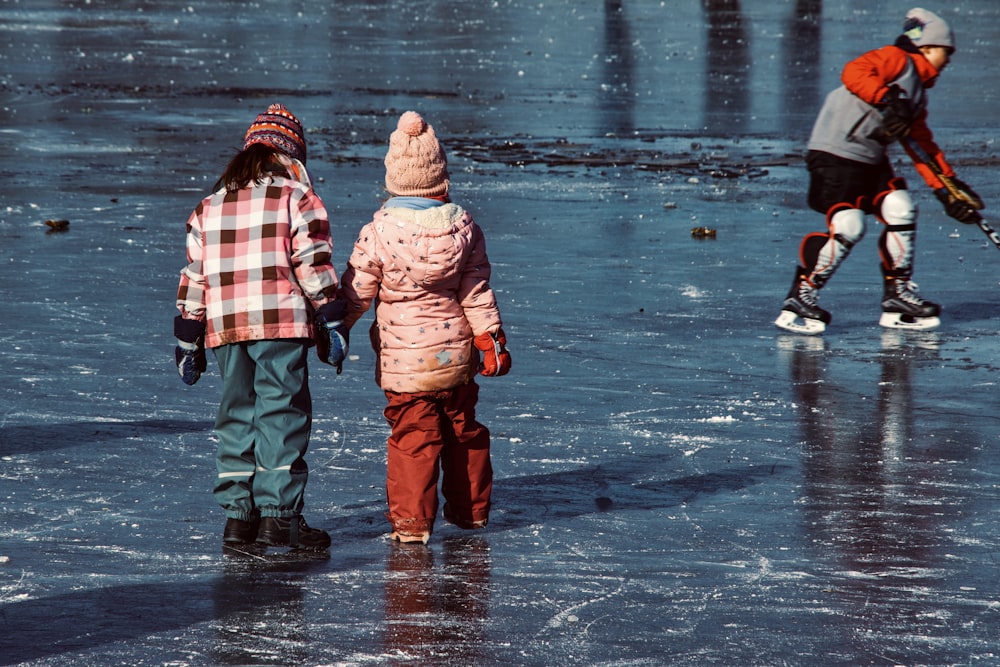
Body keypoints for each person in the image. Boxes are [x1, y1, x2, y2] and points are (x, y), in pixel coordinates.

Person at [174, 103, 348, 550]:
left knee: (236, 414)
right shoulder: (297, 197)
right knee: (281, 414)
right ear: (291, 155)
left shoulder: (209, 206)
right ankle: (279, 517)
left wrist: (188, 335)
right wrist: (332, 317)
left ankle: (239, 518)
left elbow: (196, 273)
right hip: (280, 324)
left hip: (227, 328)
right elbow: (312, 265)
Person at [338, 111, 512, 544]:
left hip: (405, 364)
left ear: (393, 182)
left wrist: (335, 328)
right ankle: (471, 512)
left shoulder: (377, 232)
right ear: (441, 180)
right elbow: (476, 292)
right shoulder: (464, 229)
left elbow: (358, 292)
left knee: (414, 438)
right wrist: (490, 340)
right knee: (462, 428)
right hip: (454, 358)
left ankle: (413, 525)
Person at [775, 8, 983, 335]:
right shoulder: (896, 59)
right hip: (835, 150)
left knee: (900, 206)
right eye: (947, 51)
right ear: (927, 47)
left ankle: (896, 296)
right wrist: (887, 98)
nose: (949, 60)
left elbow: (920, 145)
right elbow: (854, 71)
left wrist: (948, 188)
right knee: (850, 224)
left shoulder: (916, 93)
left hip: (870, 158)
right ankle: (802, 294)